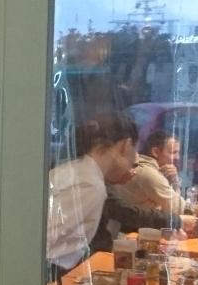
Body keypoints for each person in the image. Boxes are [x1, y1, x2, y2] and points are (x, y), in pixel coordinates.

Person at [45, 112, 139, 273]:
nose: (133, 164)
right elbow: (44, 239)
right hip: (47, 274)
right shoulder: (89, 184)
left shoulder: (79, 169)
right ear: (126, 145)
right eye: (134, 155)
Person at [109, 131, 187, 215]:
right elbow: (178, 209)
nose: (178, 157)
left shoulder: (146, 168)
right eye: (173, 152)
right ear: (155, 152)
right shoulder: (149, 174)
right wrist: (174, 181)